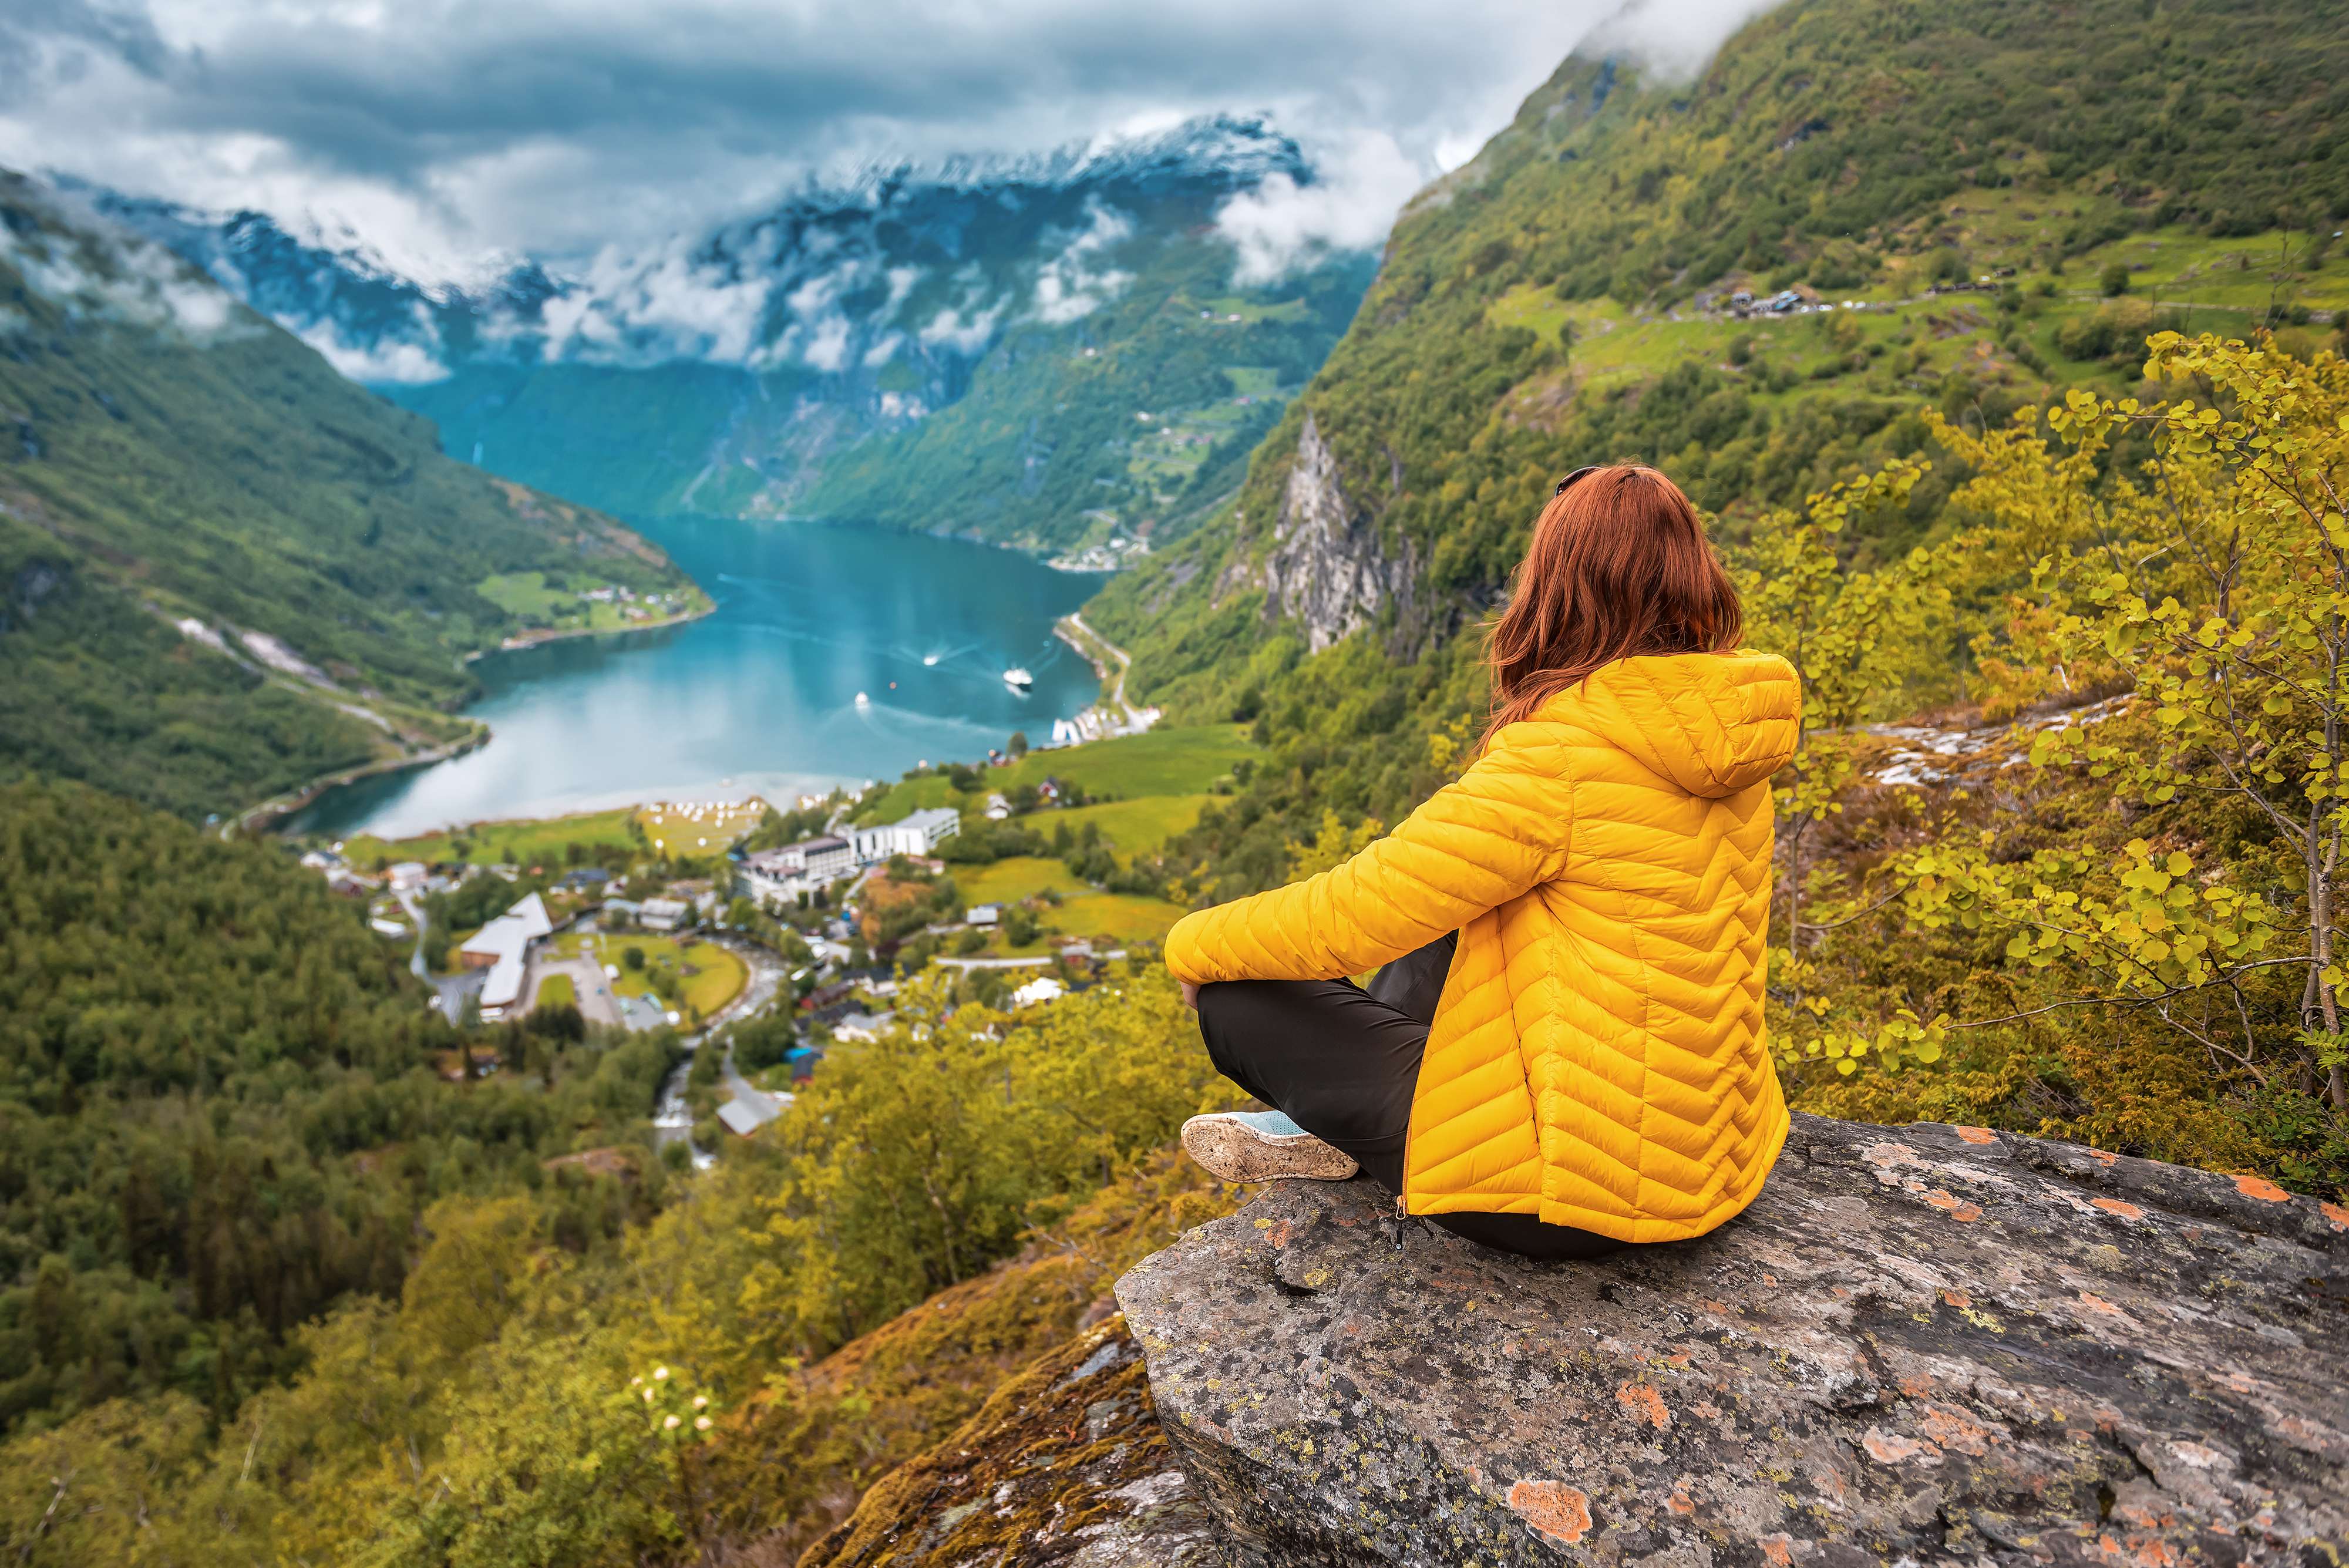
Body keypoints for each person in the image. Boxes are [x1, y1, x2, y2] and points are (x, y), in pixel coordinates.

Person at [1165, 464, 1800, 1261]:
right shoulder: (1732, 733)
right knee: (1467, 903)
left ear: (1557, 588)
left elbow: (1353, 913)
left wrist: (1191, 945)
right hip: (1711, 1160)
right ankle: (1340, 1128)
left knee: (1237, 1000)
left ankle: (1341, 1129)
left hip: (1566, 1193)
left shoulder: (1562, 756)